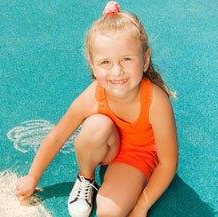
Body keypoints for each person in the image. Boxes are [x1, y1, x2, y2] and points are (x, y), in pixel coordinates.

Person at [15, 2, 178, 217]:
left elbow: (168, 163)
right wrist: (32, 177)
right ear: (92, 65)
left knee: (109, 212)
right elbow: (57, 136)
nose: (117, 71)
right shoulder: (94, 94)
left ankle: (114, 185)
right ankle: (86, 178)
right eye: (105, 62)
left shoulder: (156, 101)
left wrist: (141, 207)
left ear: (145, 60)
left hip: (138, 157)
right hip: (108, 146)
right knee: (95, 126)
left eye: (127, 59)